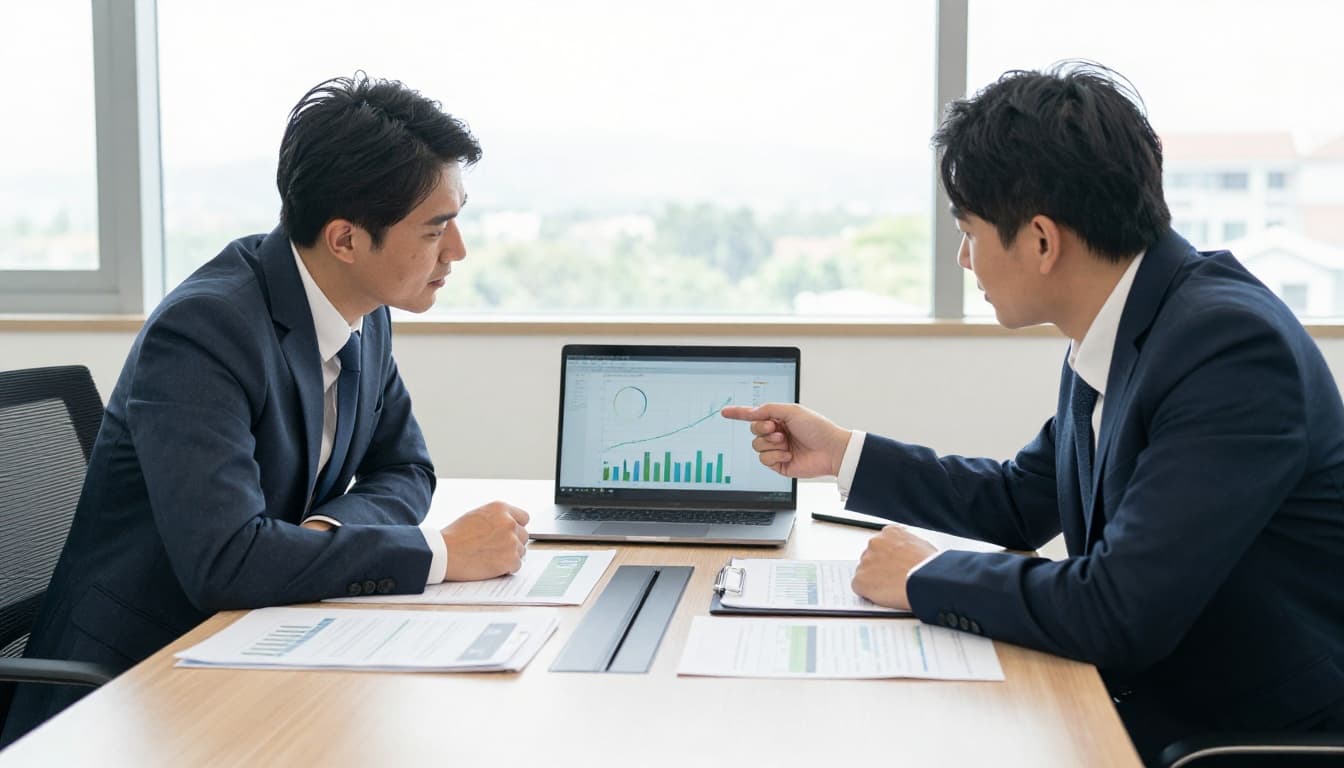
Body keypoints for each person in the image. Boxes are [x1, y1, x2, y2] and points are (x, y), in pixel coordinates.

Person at [724, 62, 1344, 763]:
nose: (964, 259)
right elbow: (1020, 500)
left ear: (1042, 241)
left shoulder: (1228, 349)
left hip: (1238, 735)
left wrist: (924, 576)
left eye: (970, 233)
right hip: (1143, 694)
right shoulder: (1129, 318)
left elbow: (1119, 609)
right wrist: (842, 453)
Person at [1, 74, 529, 744]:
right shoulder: (203, 333)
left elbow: (407, 470)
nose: (456, 251)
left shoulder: (364, 306)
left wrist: (317, 538)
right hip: (132, 690)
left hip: (257, 639)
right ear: (344, 239)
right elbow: (226, 562)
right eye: (436, 228)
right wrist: (441, 552)